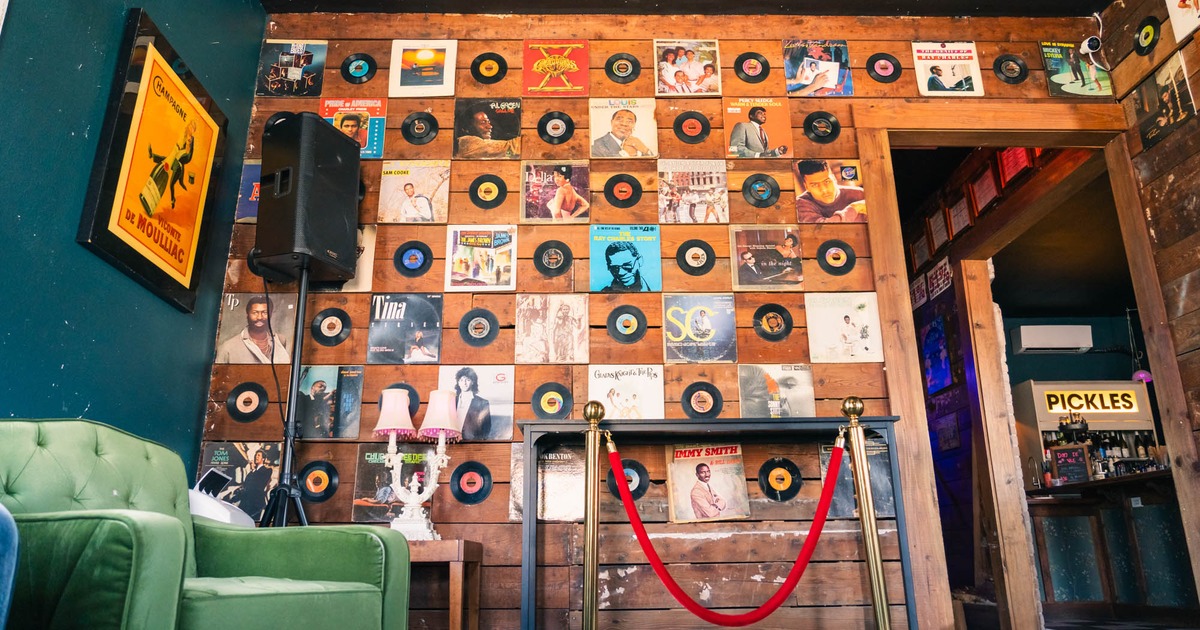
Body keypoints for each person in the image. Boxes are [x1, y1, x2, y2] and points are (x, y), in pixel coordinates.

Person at [216, 295, 290, 364]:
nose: (260, 317)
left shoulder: (280, 340)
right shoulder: (228, 347)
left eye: (264, 312)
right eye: (255, 313)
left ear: (270, 314)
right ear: (247, 314)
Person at [145, 120, 196, 213]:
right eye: (191, 127)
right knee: (165, 161)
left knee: (171, 184)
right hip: (176, 159)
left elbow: (188, 153)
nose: (192, 129)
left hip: (179, 166)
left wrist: (189, 143)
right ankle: (152, 155)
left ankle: (173, 200)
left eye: (193, 128)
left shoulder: (190, 140)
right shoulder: (184, 135)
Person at [794, 159, 866, 223]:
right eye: (815, 185)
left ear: (834, 178)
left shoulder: (860, 194)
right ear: (806, 187)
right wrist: (853, 209)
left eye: (827, 182)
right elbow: (822, 230)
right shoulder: (801, 203)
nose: (824, 189)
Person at [456, 109, 520, 159]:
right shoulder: (466, 142)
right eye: (483, 122)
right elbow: (509, 147)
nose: (489, 126)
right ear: (468, 128)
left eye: (488, 122)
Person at [454, 367, 492, 440]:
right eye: (461, 380)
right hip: (452, 443)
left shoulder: (482, 403)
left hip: (473, 445)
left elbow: (486, 428)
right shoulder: (451, 400)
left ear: (473, 382)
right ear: (458, 382)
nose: (464, 383)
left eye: (467, 380)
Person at [237, 448, 273, 521]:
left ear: (263, 459)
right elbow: (246, 484)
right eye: (255, 455)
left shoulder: (267, 471)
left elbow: (259, 483)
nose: (256, 457)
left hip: (255, 504)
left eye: (259, 455)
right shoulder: (251, 472)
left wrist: (254, 470)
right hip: (245, 503)